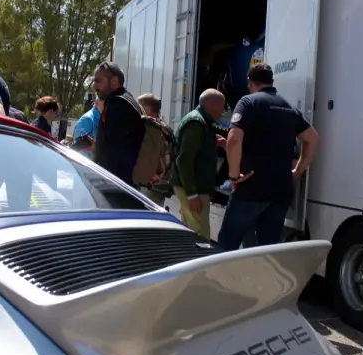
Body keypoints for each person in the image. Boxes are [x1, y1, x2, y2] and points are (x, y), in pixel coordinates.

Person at [217, 63, 319, 250]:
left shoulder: (248, 102)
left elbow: (233, 140)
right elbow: (312, 138)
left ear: (250, 82)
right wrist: (298, 170)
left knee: (226, 245)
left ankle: (220, 280)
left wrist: (233, 176)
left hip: (251, 189)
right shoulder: (288, 108)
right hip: (280, 192)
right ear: (272, 81)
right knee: (266, 250)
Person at [171, 89, 227, 239]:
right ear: (211, 104)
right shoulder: (196, 123)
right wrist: (192, 194)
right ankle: (199, 261)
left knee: (188, 232)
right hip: (194, 188)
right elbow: (184, 159)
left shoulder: (201, 122)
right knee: (200, 235)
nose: (223, 111)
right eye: (222, 106)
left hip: (193, 187)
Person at [92, 62, 145, 186]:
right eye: (93, 81)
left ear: (114, 82)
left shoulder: (117, 105)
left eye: (98, 81)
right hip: (123, 184)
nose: (94, 86)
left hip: (115, 185)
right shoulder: (127, 100)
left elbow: (114, 155)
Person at [137, 93, 173, 207]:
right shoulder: (165, 127)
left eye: (139, 106)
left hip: (149, 184)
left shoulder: (149, 128)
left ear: (147, 108)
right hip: (161, 184)